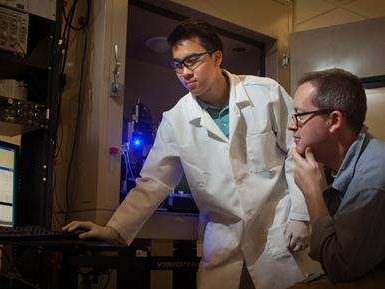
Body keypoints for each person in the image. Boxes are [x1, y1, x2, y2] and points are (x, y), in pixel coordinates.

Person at [63, 19, 314, 289]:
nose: (184, 72)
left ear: (217, 57)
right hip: (223, 244)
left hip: (279, 231)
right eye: (177, 64)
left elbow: (299, 153)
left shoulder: (267, 94)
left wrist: (302, 214)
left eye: (192, 61)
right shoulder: (176, 119)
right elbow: (154, 183)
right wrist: (113, 230)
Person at [286, 68, 385, 288]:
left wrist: (312, 192)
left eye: (299, 116)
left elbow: (340, 267)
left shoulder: (371, 182)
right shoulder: (340, 165)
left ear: (334, 120)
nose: (291, 125)